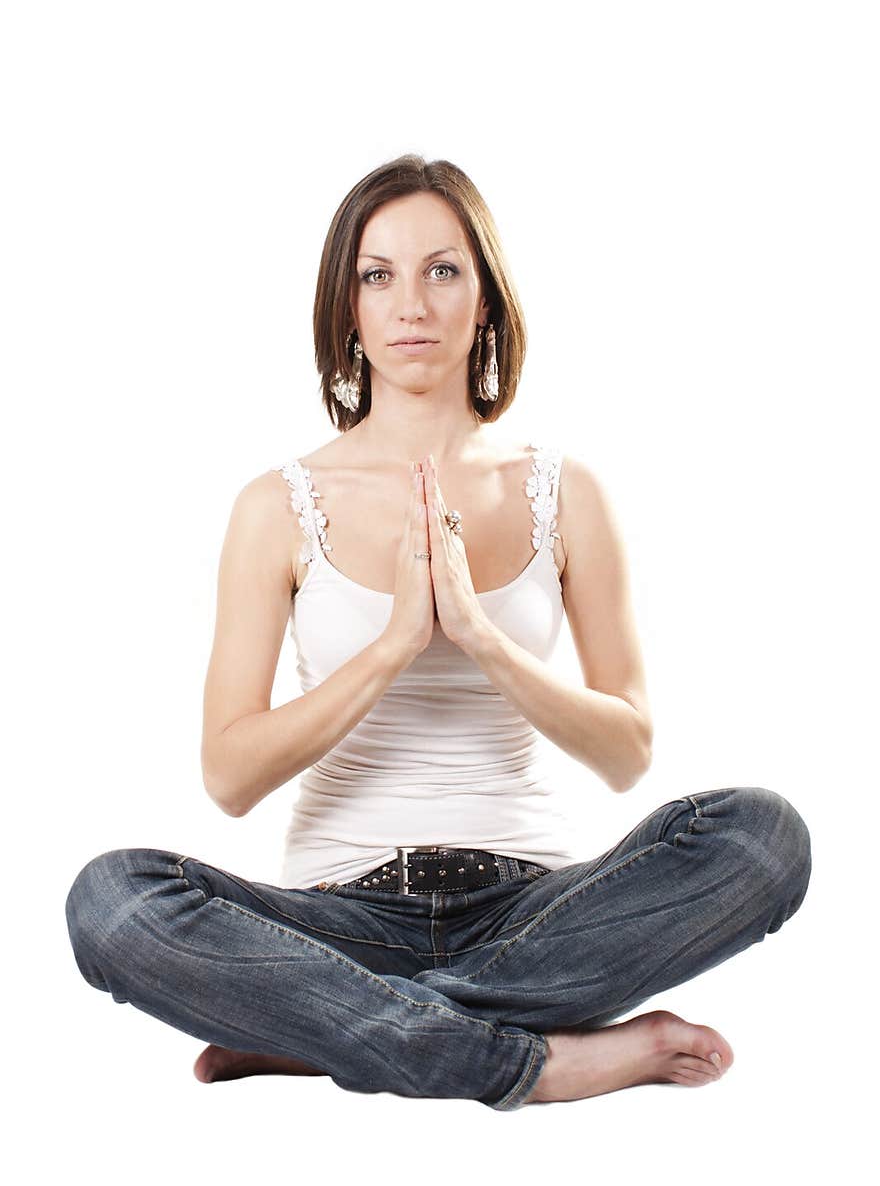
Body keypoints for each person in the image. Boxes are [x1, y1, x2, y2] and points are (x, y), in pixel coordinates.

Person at [65, 154, 812, 1111]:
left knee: (765, 837)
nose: (411, 303)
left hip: (539, 916)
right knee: (110, 900)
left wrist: (481, 637)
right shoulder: (276, 506)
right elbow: (229, 775)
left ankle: (336, 1033)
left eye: (442, 270)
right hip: (337, 917)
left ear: (486, 299)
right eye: (378, 275)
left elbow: (629, 753)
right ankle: (538, 1061)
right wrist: (389, 649)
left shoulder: (565, 493)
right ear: (349, 309)